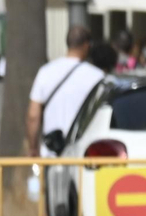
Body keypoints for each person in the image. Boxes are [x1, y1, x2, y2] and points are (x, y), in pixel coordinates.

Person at [27, 26, 99, 158]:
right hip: (83, 153)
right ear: (87, 45)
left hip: (51, 151)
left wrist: (32, 147)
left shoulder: (46, 72)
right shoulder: (97, 76)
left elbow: (33, 116)